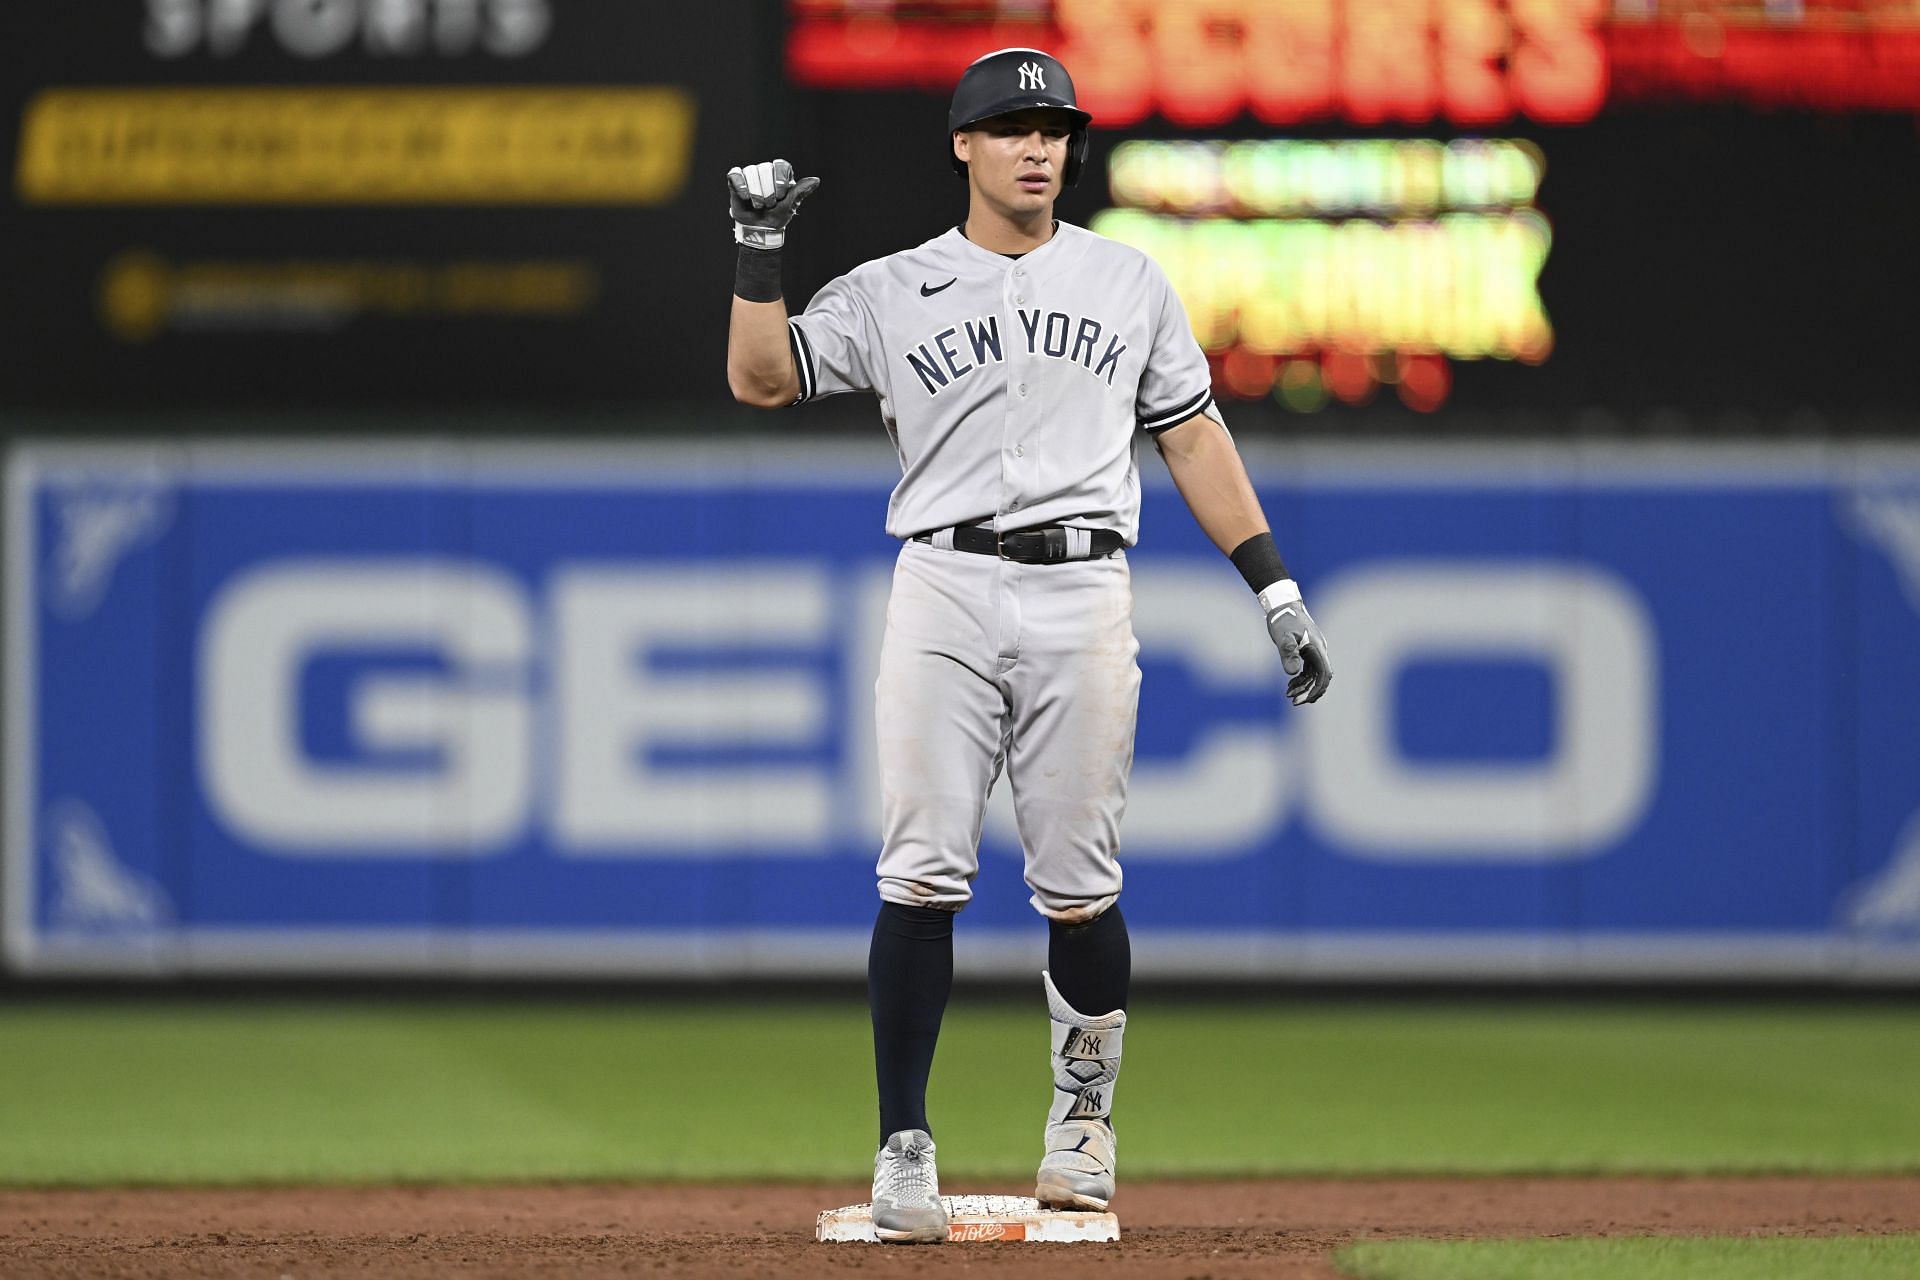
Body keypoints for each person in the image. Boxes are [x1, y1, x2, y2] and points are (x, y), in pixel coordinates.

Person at [725, 47, 1331, 1244]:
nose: (1038, 146)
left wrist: (1274, 587)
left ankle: (1083, 1121)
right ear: (963, 146)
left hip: (1085, 587)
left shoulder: (1129, 279)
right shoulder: (896, 287)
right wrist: (755, 251)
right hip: (944, 581)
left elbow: (1194, 440)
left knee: (1081, 881)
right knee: (921, 869)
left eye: (1054, 127)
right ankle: (906, 1143)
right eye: (1010, 127)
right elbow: (759, 377)